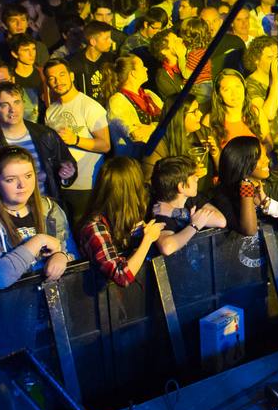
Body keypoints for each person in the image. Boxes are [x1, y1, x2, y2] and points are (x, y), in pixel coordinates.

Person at [0, 146, 77, 289]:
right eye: (11, 179)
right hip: (12, 307)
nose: (22, 185)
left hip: (53, 302)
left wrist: (63, 256)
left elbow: (73, 253)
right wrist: (39, 240)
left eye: (28, 176)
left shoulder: (50, 209)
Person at [77, 158, 167, 287]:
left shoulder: (123, 214)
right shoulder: (94, 227)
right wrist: (147, 239)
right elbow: (121, 276)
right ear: (131, 190)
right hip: (99, 299)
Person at [0, 82, 78, 201]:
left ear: (23, 104)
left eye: (16, 102)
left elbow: (67, 165)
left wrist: (66, 174)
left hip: (46, 205)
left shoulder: (45, 134)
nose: (12, 109)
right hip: (8, 210)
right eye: (4, 105)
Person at [43, 59, 112, 215]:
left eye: (62, 75)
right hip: (63, 183)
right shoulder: (50, 111)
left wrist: (76, 140)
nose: (57, 81)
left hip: (88, 185)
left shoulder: (90, 106)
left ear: (71, 76)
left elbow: (105, 145)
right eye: (52, 78)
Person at [148, 156, 227, 255]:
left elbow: (221, 221)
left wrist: (178, 213)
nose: (197, 178)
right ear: (181, 187)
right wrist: (194, 226)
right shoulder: (160, 211)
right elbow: (167, 247)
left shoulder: (192, 198)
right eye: (193, 177)